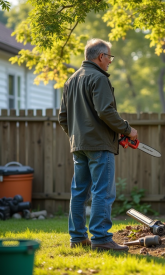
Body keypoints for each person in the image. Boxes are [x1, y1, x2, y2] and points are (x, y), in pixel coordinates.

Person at [59, 38, 137, 251]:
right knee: (102, 191)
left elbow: (63, 118)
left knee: (79, 192)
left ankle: (77, 237)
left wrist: (77, 137)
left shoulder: (71, 80)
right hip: (99, 146)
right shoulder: (99, 78)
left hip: (79, 146)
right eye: (109, 57)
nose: (110, 61)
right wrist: (127, 130)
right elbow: (105, 111)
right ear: (101, 56)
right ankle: (101, 239)